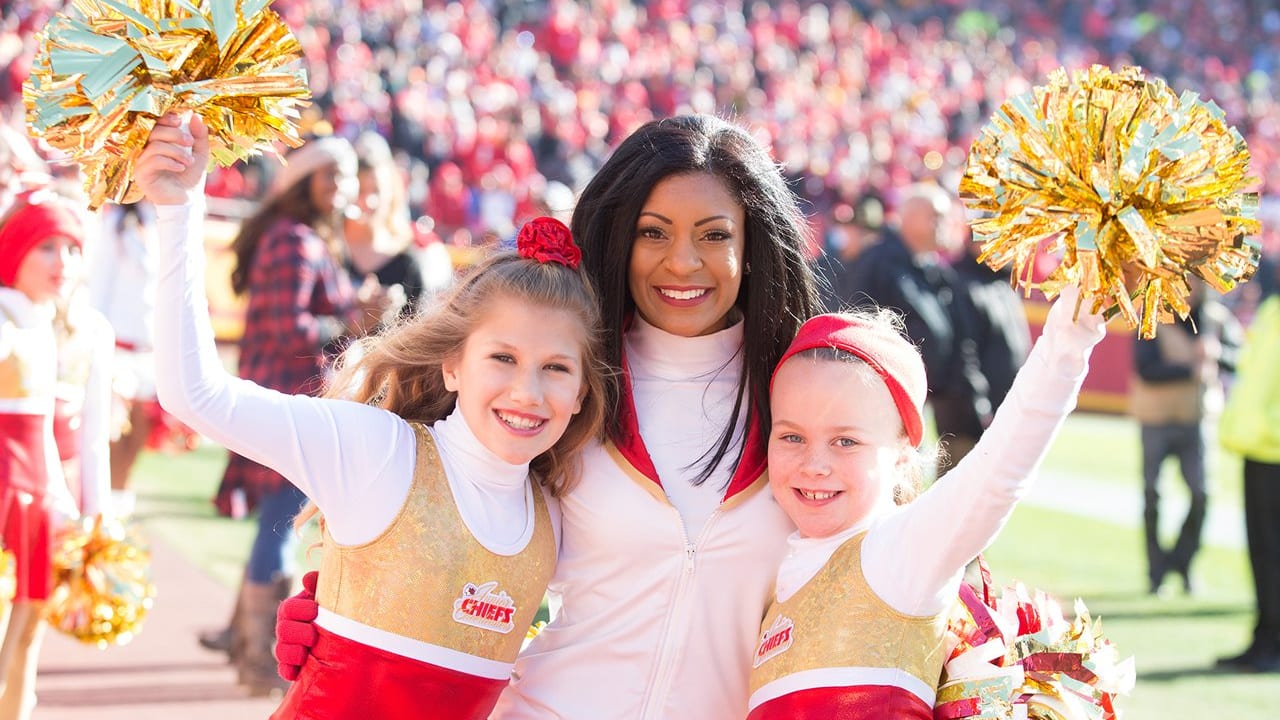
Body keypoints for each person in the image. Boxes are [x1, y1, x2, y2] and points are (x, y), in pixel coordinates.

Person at [279, 114, 824, 719]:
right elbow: (444, 517)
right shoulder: (564, 382)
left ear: (753, 245)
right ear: (621, 238)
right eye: (653, 232)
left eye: (715, 235)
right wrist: (347, 604)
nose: (682, 262)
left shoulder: (803, 395)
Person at [135, 113, 610, 717]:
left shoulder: (557, 514)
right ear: (452, 365)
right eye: (502, 357)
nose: (527, 391)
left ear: (583, 392)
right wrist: (180, 209)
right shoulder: (381, 451)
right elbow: (196, 395)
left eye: (557, 368)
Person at [746, 286, 1106, 718]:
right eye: (792, 437)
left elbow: (1001, 470)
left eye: (846, 441)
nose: (814, 464)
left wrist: (1077, 323)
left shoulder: (899, 552)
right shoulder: (778, 576)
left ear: (902, 456)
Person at [195, 133, 391, 695]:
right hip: (287, 400)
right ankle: (259, 658)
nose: (343, 187)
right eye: (333, 175)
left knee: (276, 522)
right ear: (304, 181)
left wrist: (353, 310)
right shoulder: (292, 240)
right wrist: (353, 317)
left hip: (289, 399)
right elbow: (291, 332)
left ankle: (245, 641)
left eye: (348, 176)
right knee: (281, 523)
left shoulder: (302, 236)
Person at [0, 191, 89, 720]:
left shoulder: (42, 325)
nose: (64, 263)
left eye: (72, 249)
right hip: (4, 493)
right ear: (14, 251)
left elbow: (45, 439)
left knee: (28, 628)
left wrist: (65, 506)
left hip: (35, 498)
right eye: (48, 248)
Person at [846, 183, 990, 472]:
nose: (944, 224)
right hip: (881, 403)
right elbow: (854, 329)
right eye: (935, 216)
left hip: (929, 399)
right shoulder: (877, 263)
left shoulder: (936, 271)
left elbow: (957, 343)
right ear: (909, 218)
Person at [1130, 279, 1240, 595]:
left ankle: (1183, 561)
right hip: (1156, 418)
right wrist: (1190, 369)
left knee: (1201, 493)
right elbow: (1146, 368)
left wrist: (1216, 355)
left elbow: (1237, 358)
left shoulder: (1216, 319)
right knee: (1152, 495)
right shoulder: (1153, 315)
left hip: (1197, 418)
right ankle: (1156, 572)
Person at [1216, 292, 1280, 673]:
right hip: (1256, 448)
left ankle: (1274, 646)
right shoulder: (1272, 309)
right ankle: (1264, 638)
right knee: (1262, 554)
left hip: (1274, 447)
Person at [343, 132, 426, 316]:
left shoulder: (406, 264)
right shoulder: (328, 251)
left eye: (376, 191)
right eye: (360, 191)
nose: (369, 201)